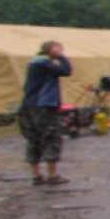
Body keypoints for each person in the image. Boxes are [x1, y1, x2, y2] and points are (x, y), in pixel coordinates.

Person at [21, 40, 72, 186]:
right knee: (51, 136)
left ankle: (36, 176)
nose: (61, 50)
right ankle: (52, 175)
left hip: (29, 105)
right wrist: (61, 57)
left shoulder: (34, 63)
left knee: (34, 138)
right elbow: (66, 71)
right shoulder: (44, 63)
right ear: (50, 49)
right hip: (44, 105)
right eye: (58, 48)